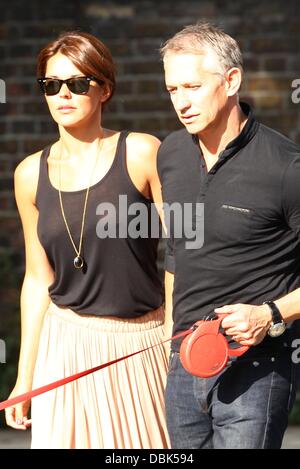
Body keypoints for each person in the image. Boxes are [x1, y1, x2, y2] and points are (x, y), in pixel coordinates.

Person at [5, 30, 170, 449]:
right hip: (65, 349)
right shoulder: (28, 175)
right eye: (51, 85)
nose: (63, 94)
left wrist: (174, 337)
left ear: (105, 90)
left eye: (78, 84)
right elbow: (38, 280)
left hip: (143, 345)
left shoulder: (141, 152)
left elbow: (185, 250)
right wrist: (24, 378)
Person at [157, 21, 300, 449]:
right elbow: (176, 256)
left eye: (192, 86)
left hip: (256, 367)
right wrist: (170, 348)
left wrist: (270, 314)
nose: (181, 102)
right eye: (172, 90)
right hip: (185, 362)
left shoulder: (286, 167)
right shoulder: (171, 154)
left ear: (232, 80)